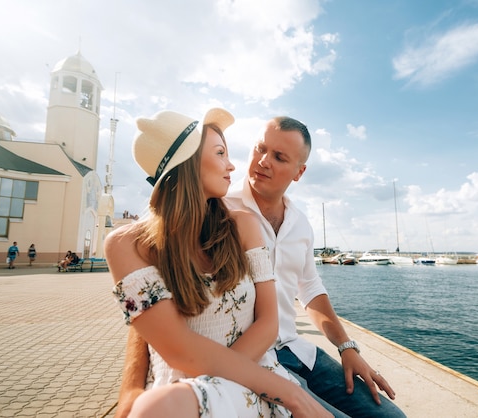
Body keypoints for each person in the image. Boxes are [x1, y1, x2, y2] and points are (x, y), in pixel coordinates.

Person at [116, 116, 407, 418]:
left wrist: (346, 346)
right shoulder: (215, 207)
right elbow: (151, 305)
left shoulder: (300, 224)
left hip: (292, 348)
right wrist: (131, 388)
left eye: (279, 157)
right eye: (260, 149)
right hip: (241, 359)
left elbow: (311, 290)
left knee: (391, 416)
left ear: (299, 172)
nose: (263, 161)